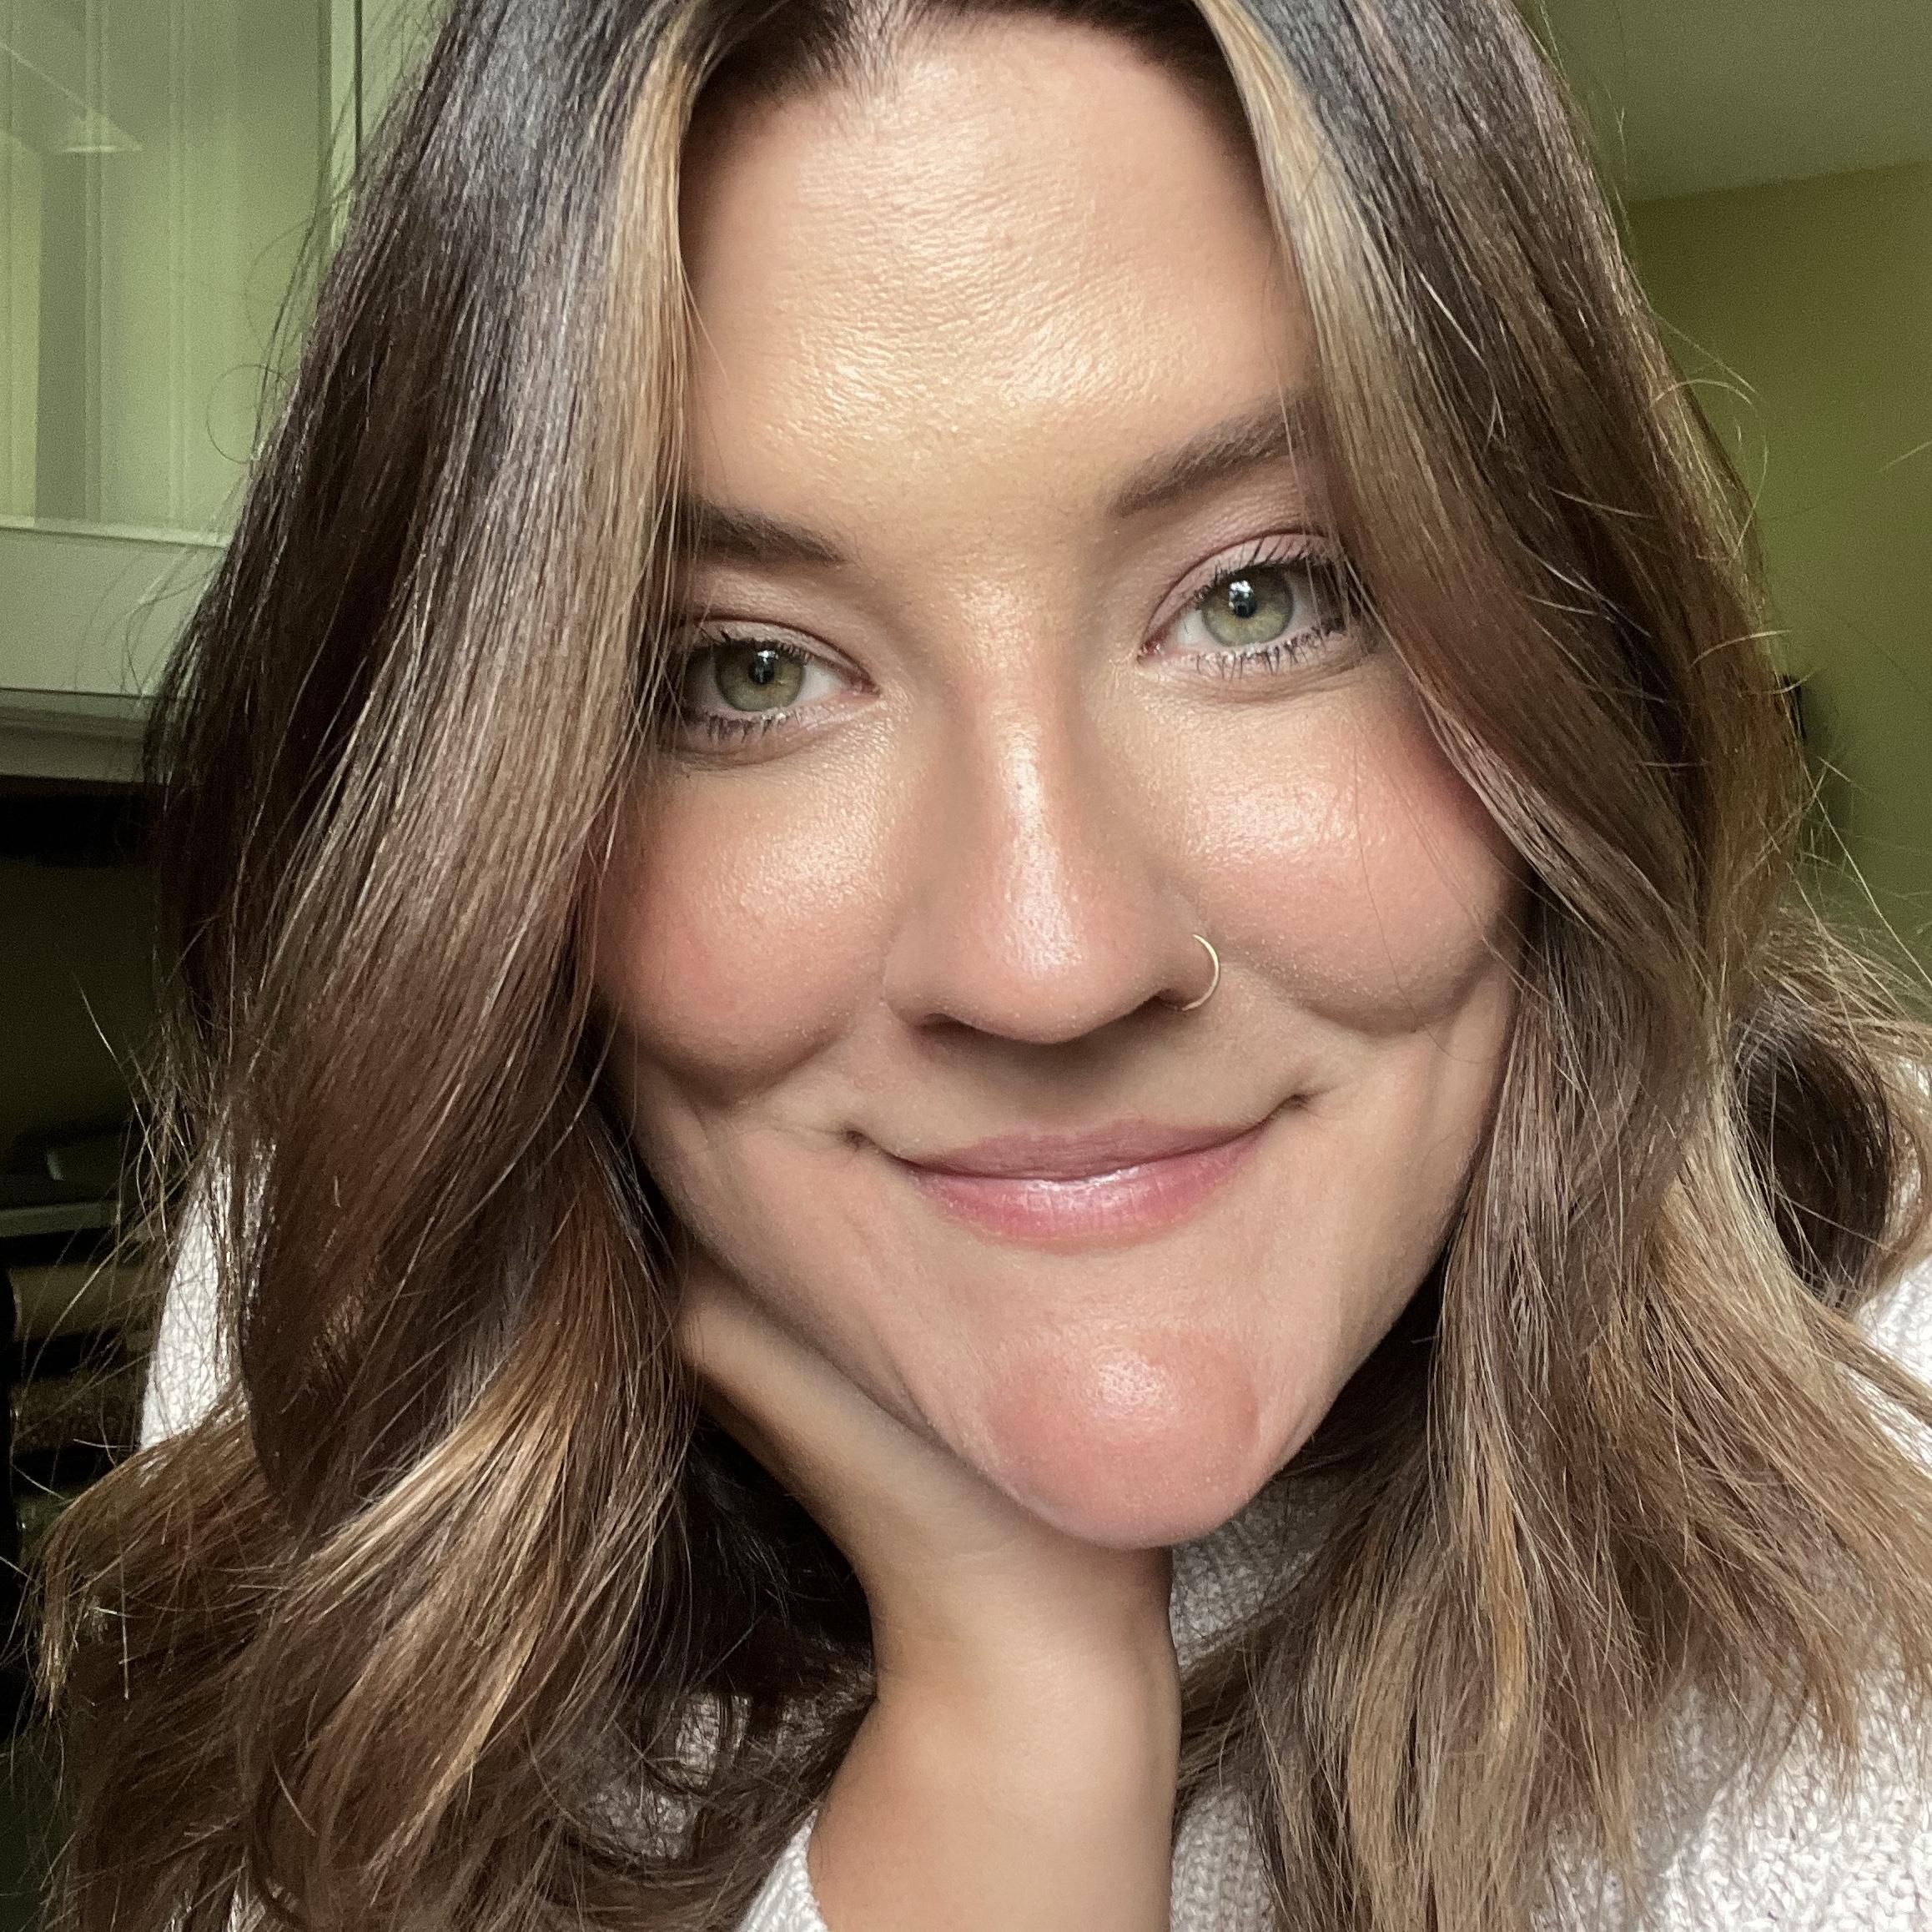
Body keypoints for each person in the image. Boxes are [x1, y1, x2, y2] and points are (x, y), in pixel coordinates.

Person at [35, 0, 1932, 1927]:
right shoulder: (344, 1299)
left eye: (1264, 596)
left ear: (1588, 657)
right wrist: (1013, 1738)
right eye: (740, 673)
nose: (1049, 962)